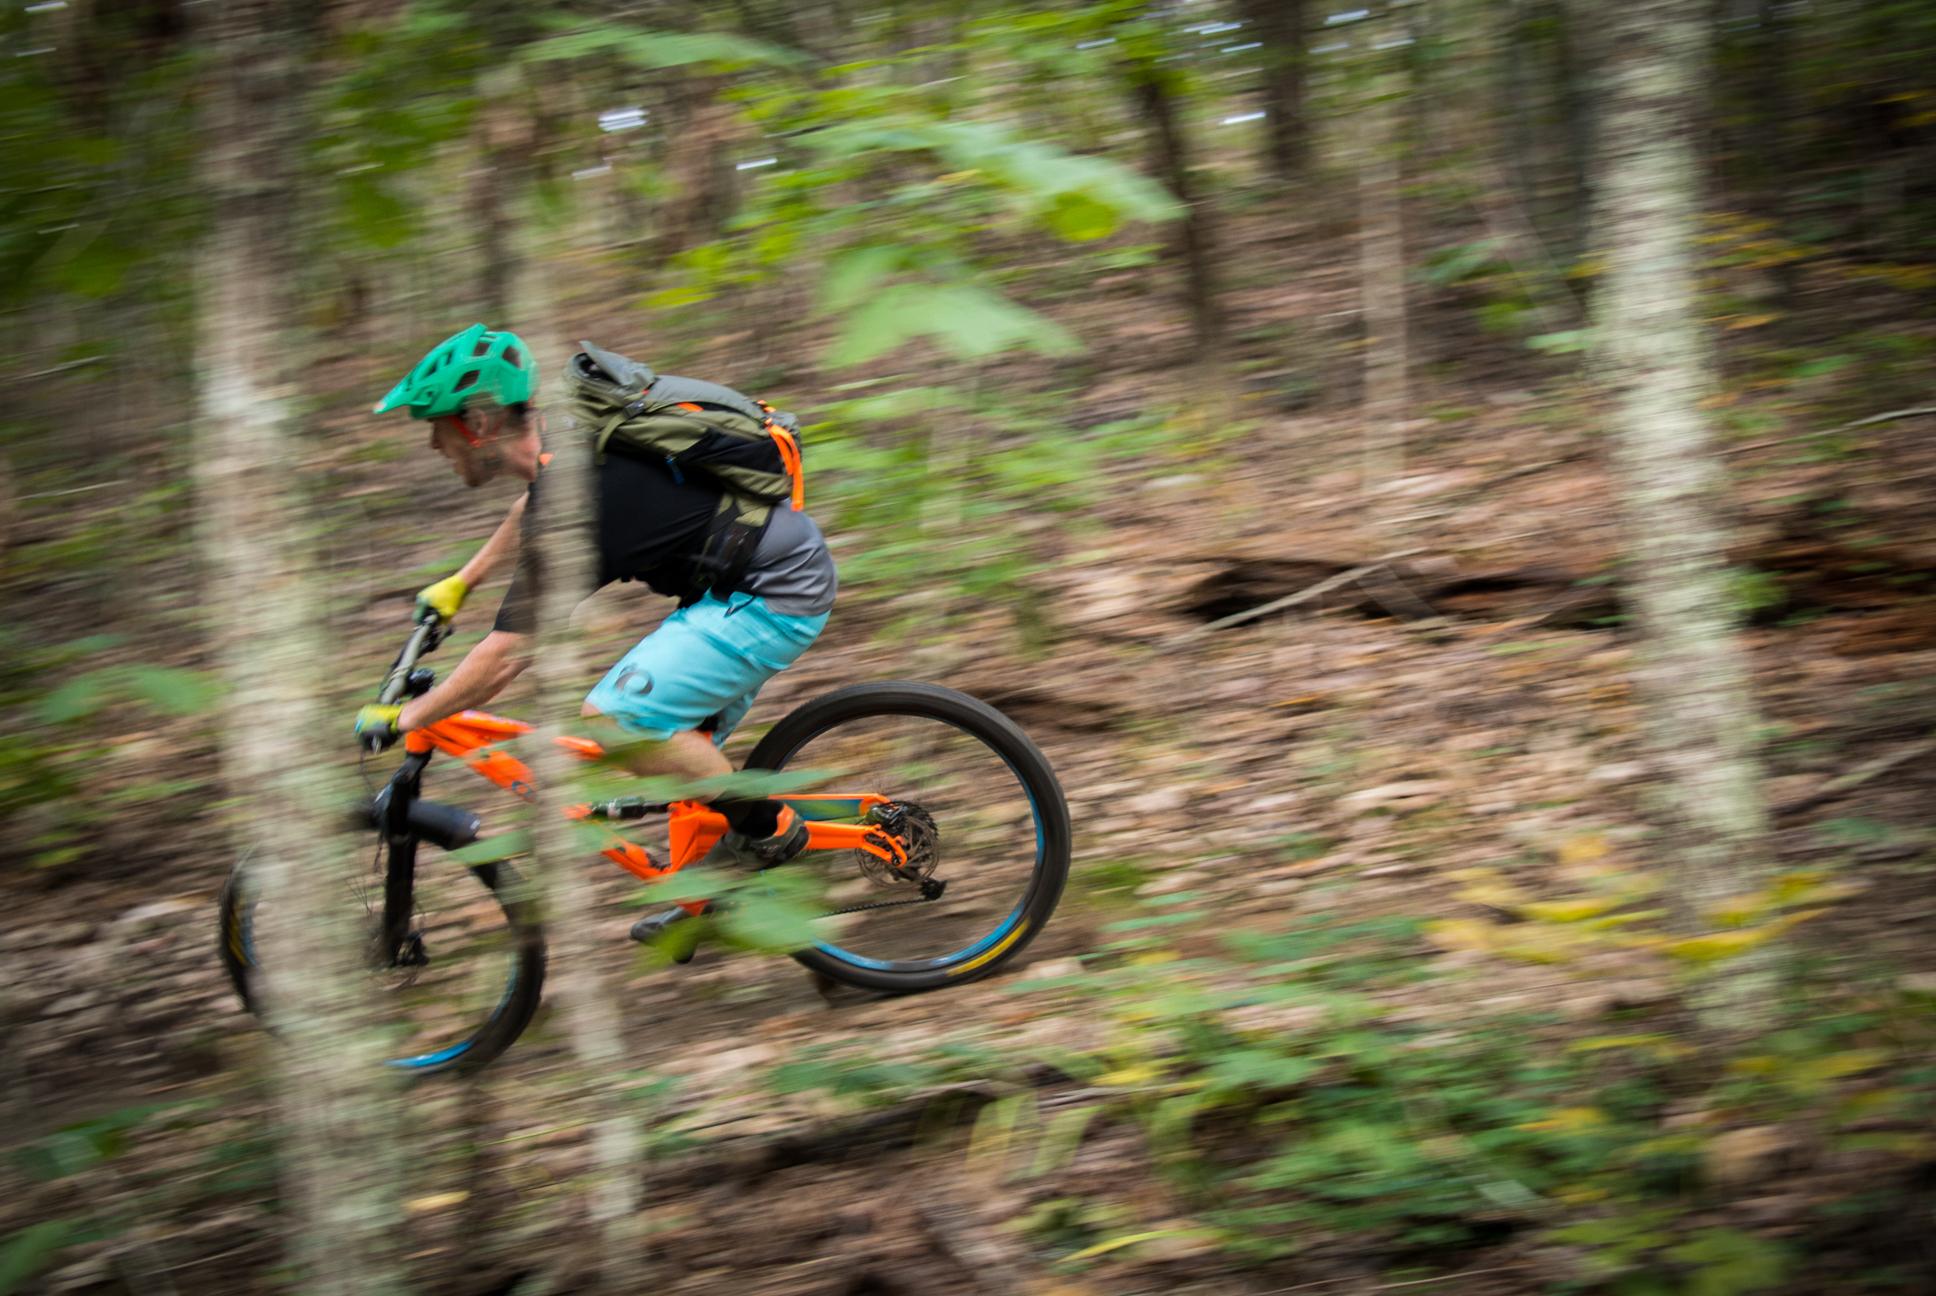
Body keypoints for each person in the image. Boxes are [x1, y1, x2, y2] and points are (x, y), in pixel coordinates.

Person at [353, 324, 837, 943]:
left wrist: (408, 718)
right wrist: (463, 582)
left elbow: (507, 657)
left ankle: (769, 829)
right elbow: (528, 506)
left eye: (436, 426)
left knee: (617, 719)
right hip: (734, 586)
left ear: (477, 423)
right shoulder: (565, 441)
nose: (431, 444)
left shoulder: (575, 505)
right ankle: (712, 890)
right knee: (676, 748)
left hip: (772, 593)